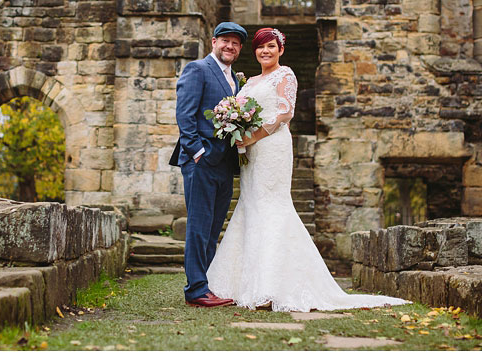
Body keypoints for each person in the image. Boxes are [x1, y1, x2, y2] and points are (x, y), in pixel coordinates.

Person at [205, 27, 408, 311]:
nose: (265, 51)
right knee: (250, 204)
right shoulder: (249, 81)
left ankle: (272, 286)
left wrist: (253, 136)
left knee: (273, 206)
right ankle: (241, 284)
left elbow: (284, 113)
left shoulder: (285, 74)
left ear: (281, 50)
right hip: (250, 151)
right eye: (261, 47)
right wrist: (236, 130)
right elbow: (242, 112)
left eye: (271, 47)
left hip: (272, 146)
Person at [170, 21, 247, 308]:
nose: (230, 46)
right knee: (199, 227)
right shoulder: (197, 69)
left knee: (214, 227)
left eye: (236, 43)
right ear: (213, 42)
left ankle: (209, 282)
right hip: (201, 161)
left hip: (225, 163)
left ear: (239, 49)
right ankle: (196, 290)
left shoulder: (235, 80)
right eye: (225, 40)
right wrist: (197, 151)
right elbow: (185, 113)